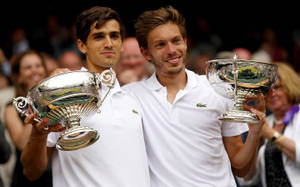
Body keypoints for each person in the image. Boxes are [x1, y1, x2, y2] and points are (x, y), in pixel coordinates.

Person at [123, 6, 266, 187]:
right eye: (160, 44)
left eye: (176, 41)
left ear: (185, 42)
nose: (171, 50)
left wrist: (254, 131)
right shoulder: (130, 97)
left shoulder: (217, 89)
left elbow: (241, 168)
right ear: (145, 53)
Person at [20, 6, 150, 187]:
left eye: (114, 36)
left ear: (121, 44)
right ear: (81, 45)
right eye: (98, 36)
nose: (108, 43)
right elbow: (31, 172)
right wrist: (37, 134)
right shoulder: (62, 95)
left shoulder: (134, 96)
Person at [241, 62, 300, 187]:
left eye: (277, 87)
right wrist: (254, 138)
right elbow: (247, 179)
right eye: (266, 90)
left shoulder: (298, 114)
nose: (272, 94)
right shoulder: (266, 121)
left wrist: (270, 133)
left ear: (290, 85)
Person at [3, 50, 52, 187]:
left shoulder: (54, 101)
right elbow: (22, 143)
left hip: (55, 173)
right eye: (28, 68)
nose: (35, 71)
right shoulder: (10, 109)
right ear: (19, 77)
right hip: (27, 178)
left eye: (38, 65)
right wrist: (35, 101)